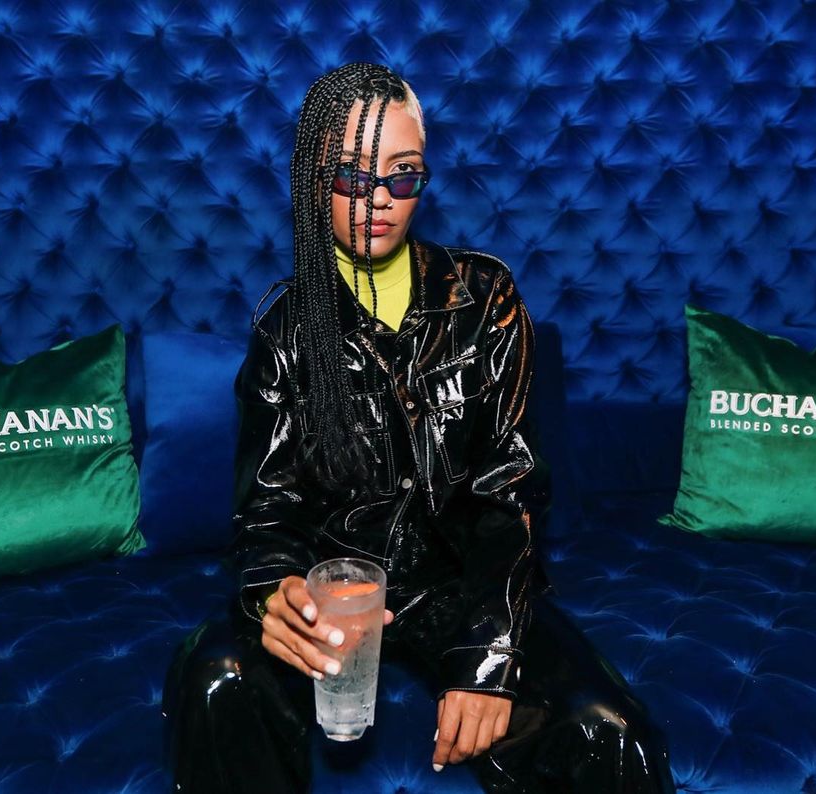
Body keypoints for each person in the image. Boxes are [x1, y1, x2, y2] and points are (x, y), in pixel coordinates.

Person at [162, 62, 675, 793]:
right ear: (312, 181)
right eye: (351, 174)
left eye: (401, 175)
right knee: (217, 682)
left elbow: (510, 494)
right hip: (336, 593)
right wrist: (275, 589)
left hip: (464, 589)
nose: (378, 198)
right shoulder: (285, 328)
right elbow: (267, 510)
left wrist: (488, 659)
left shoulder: (484, 296)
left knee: (610, 731)